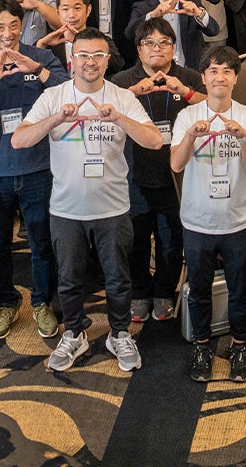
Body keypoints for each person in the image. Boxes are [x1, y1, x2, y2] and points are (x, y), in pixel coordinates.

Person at [12, 28, 164, 374]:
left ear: (107, 60)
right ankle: (75, 333)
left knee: (118, 278)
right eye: (83, 55)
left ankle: (119, 333)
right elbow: (19, 140)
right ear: (72, 59)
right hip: (66, 208)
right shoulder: (54, 96)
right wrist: (58, 119)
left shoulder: (122, 97)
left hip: (113, 207)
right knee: (68, 278)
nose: (90, 62)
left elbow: (155, 141)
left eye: (97, 55)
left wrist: (118, 117)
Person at [0, 0, 64, 341]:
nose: (7, 33)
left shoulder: (41, 57)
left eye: (13, 25)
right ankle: (6, 302)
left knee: (41, 240)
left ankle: (41, 302)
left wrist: (35, 69)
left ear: (21, 25)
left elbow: (66, 91)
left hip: (38, 166)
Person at [169, 47, 246, 382]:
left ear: (235, 78)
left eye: (226, 71)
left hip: (238, 220)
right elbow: (176, 164)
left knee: (240, 289)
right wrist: (190, 137)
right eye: (213, 71)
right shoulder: (187, 117)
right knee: (199, 289)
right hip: (197, 220)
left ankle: (239, 347)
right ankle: (202, 346)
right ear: (203, 77)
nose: (219, 77)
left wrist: (243, 139)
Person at [112, 17, 202, 323]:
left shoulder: (188, 76)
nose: (157, 49)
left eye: (164, 43)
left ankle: (164, 291)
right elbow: (100, 110)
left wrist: (186, 92)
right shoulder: (123, 81)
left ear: (174, 48)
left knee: (171, 239)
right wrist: (133, 92)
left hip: (176, 175)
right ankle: (139, 292)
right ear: (139, 50)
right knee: (136, 239)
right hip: (133, 172)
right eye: (149, 43)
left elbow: (215, 105)